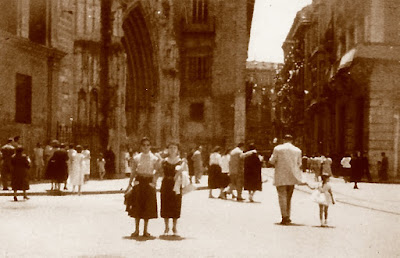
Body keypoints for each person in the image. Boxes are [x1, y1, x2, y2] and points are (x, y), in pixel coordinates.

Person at [125, 137, 160, 237]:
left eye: (148, 145)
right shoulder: (136, 158)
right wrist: (130, 184)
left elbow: (158, 171)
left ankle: (145, 230)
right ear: (141, 146)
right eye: (144, 145)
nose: (146, 147)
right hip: (139, 181)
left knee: (147, 206)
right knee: (137, 206)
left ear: (150, 146)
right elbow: (133, 172)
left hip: (148, 181)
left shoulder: (154, 158)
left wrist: (154, 182)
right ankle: (136, 230)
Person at [269, 134, 304, 225]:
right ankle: (288, 215)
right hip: (292, 176)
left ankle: (284, 217)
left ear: (284, 140)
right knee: (289, 197)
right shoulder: (297, 150)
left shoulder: (278, 148)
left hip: (281, 176)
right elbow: (299, 164)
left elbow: (272, 161)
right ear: (292, 141)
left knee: (282, 196)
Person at [160, 142, 184, 236]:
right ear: (167, 149)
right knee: (165, 204)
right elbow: (160, 171)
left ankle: (174, 227)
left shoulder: (181, 161)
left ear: (177, 150)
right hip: (166, 183)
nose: (172, 149)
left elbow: (185, 174)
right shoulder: (164, 161)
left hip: (176, 185)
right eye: (170, 148)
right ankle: (166, 227)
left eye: (174, 148)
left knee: (176, 204)